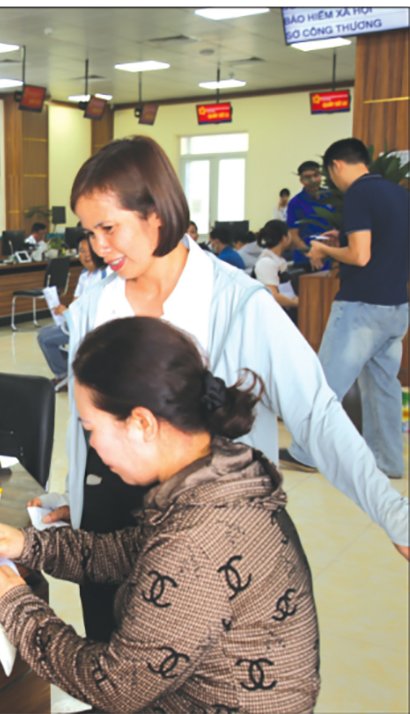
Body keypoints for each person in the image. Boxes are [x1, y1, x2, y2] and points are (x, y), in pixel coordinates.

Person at [29, 135, 406, 641]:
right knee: (114, 662)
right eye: (90, 231)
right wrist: (78, 498)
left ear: (155, 215)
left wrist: (392, 512)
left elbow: (316, 414)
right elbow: (93, 422)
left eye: (109, 227)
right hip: (108, 530)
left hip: (204, 536)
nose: (98, 247)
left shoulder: (238, 305)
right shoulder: (98, 303)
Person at [0, 317, 319, 713]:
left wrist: (18, 607)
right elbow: (129, 552)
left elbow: (113, 685)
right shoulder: (224, 474)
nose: (92, 445)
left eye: (91, 428)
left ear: (141, 423)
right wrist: (29, 545)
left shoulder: (194, 542)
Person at [288, 138, 410, 480]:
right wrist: (341, 240)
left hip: (361, 307)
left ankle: (307, 452)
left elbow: (360, 256)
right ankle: (388, 462)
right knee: (384, 387)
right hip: (397, 306)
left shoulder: (358, 193)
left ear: (336, 166)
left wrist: (324, 251)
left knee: (326, 381)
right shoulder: (400, 194)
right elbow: (383, 246)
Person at [36, 234, 106, 388]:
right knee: (44, 334)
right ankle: (69, 372)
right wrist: (64, 315)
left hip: (90, 326)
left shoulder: (104, 275)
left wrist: (68, 312)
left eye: (89, 250)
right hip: (75, 322)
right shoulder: (83, 275)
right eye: (81, 251)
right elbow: (76, 303)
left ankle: (64, 375)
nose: (86, 255)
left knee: (45, 338)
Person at [286, 161, 331, 271]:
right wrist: (311, 254)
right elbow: (294, 236)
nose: (313, 180)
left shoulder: (331, 196)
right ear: (301, 180)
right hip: (306, 259)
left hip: (331, 256)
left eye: (316, 175)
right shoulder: (295, 203)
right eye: (308, 177)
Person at [253, 219, 299, 320]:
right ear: (284, 238)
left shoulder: (279, 261)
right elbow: (273, 295)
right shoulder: (266, 262)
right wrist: (298, 304)